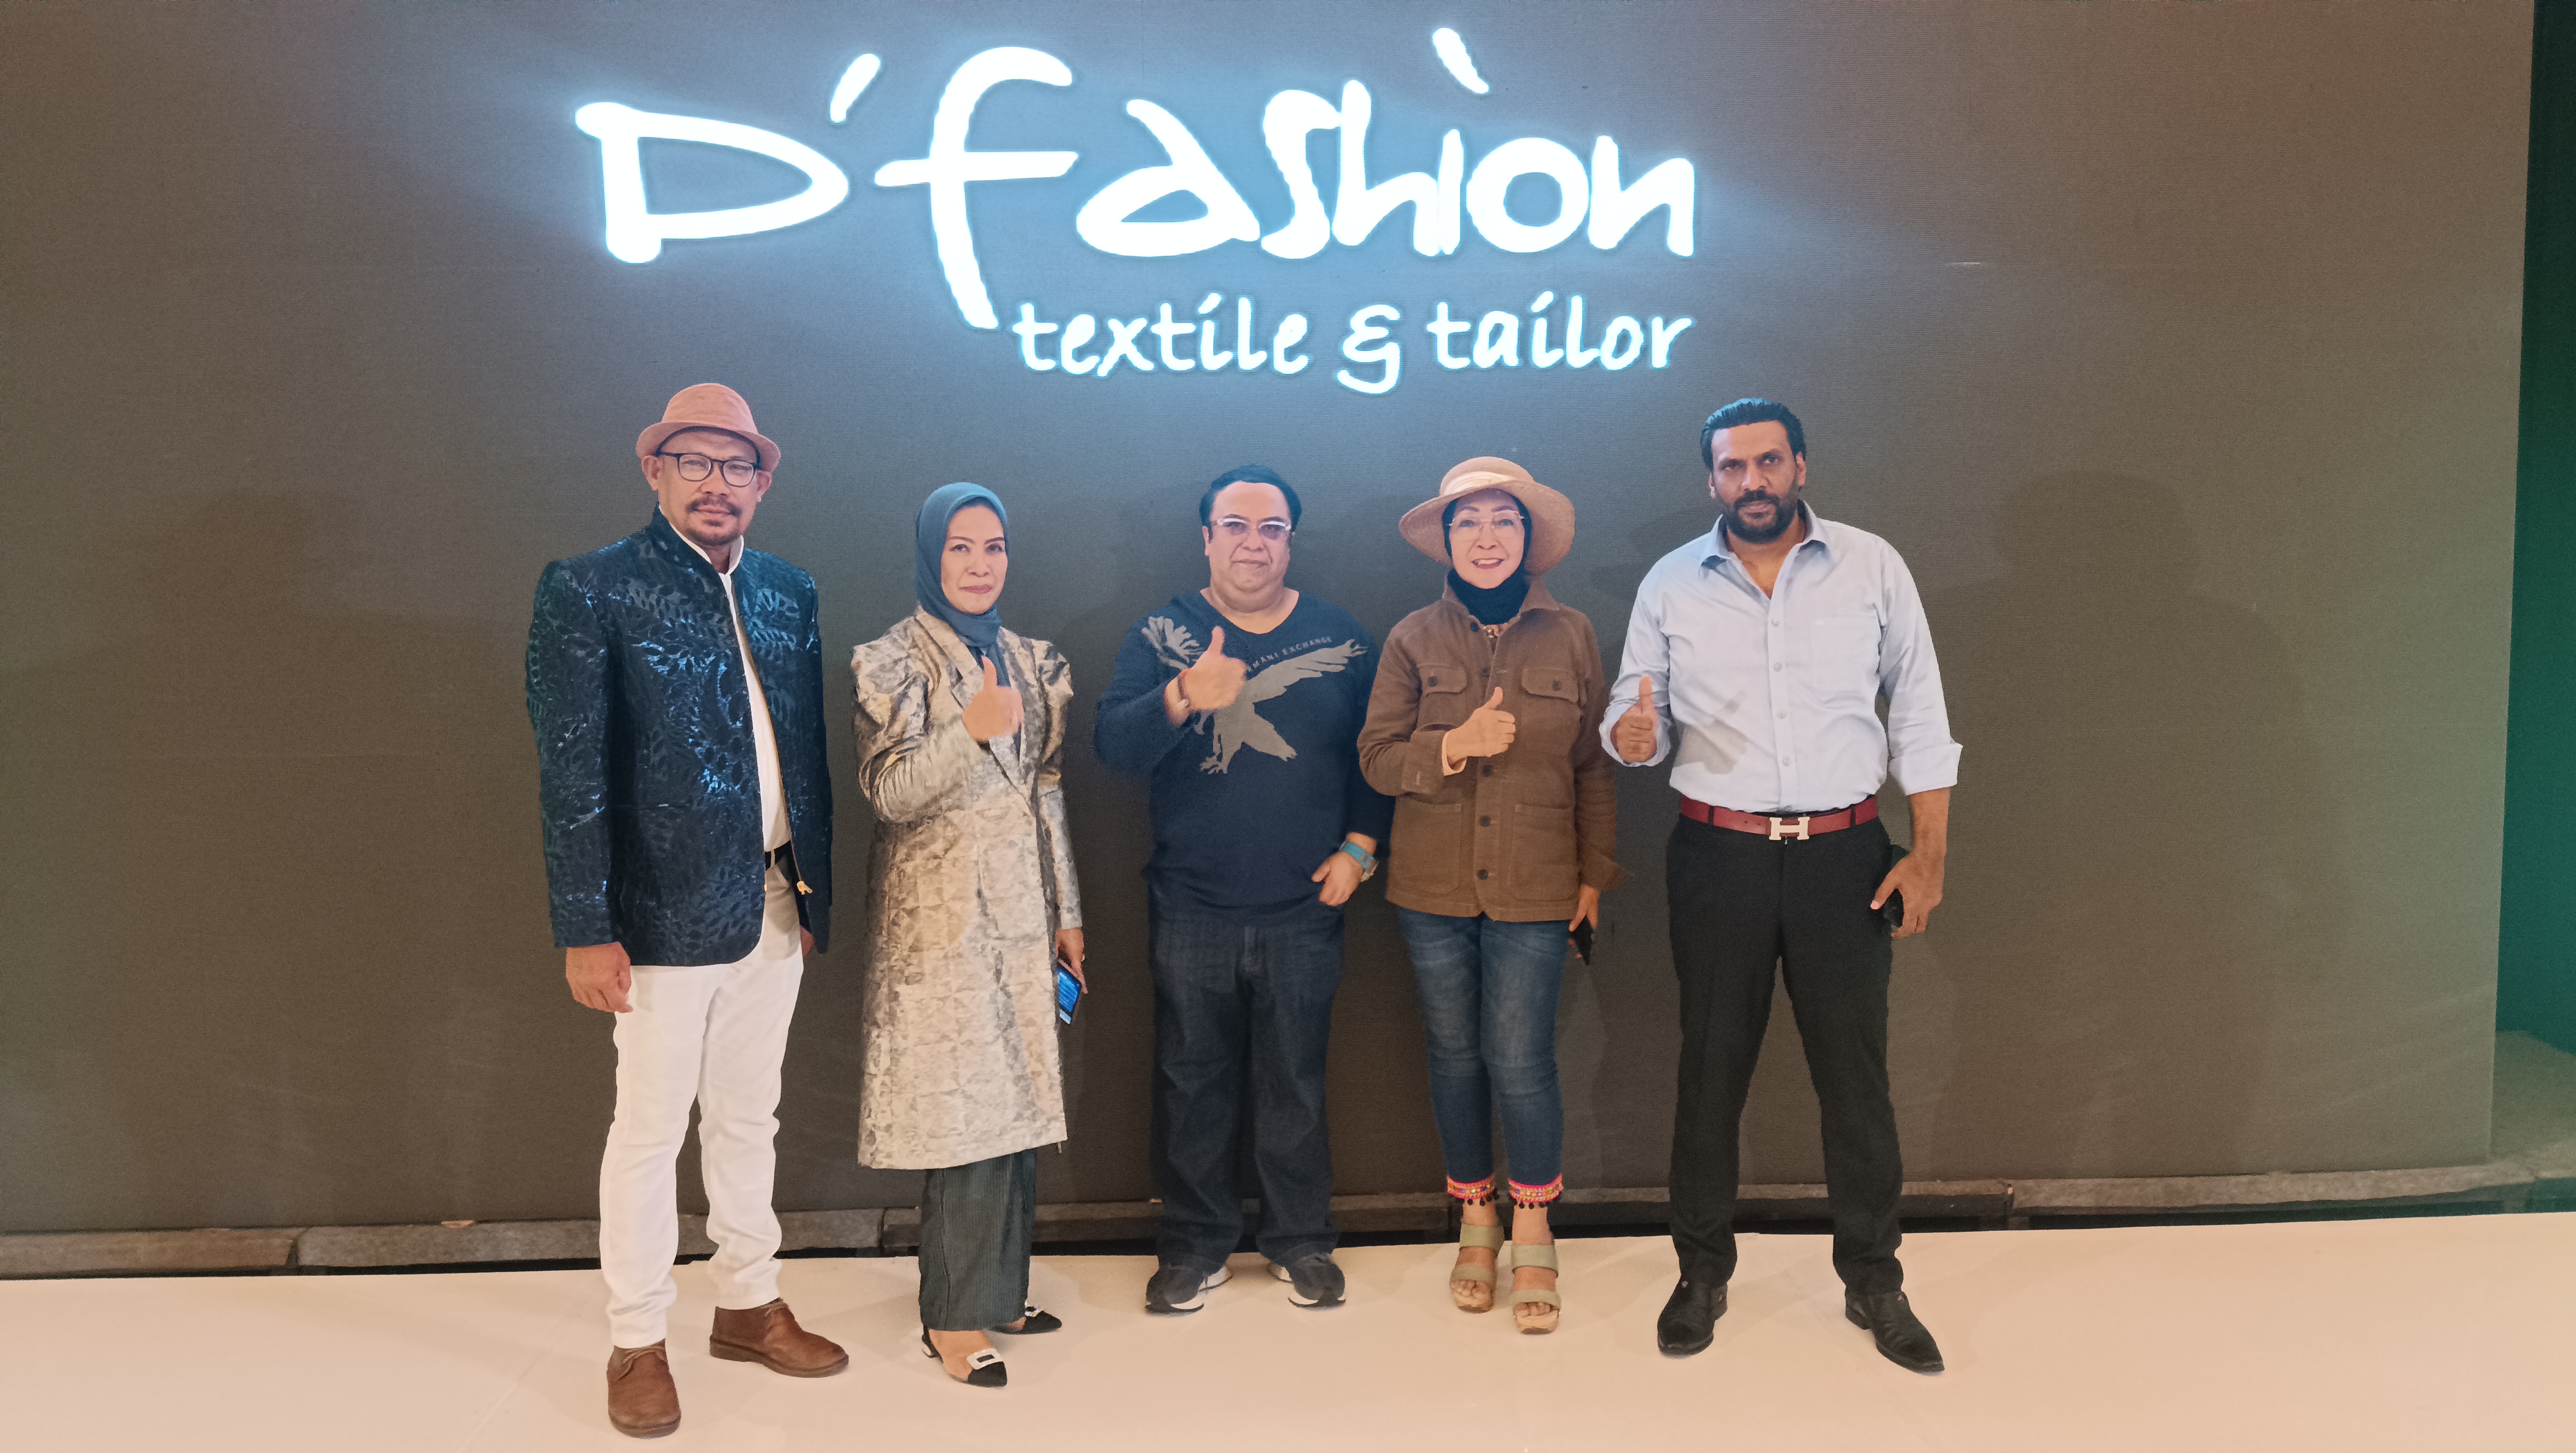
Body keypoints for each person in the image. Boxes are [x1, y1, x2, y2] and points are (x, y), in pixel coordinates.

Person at [1604, 398, 1958, 1373]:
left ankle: (1875, 1281)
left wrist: (1928, 855)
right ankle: (1701, 1275)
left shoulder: (1872, 566)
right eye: (1732, 467)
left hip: (1847, 858)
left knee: (1856, 1077)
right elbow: (1636, 717)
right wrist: (1632, 735)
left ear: (1801, 465)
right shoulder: (1671, 583)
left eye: (1768, 462)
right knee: (1710, 1070)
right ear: (1711, 480)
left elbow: (1920, 711)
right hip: (1718, 855)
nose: (1751, 481)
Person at [527, 383, 845, 1440]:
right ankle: (637, 1339)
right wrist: (586, 924)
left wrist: (813, 884)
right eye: (695, 463)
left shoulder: (789, 590)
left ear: (763, 481)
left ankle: (749, 1303)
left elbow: (804, 750)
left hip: (777, 897)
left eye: (737, 466)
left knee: (751, 1117)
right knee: (651, 1131)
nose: (718, 484)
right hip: (659, 914)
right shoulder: (592, 587)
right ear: (655, 471)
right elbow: (571, 772)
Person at [1094, 465, 1394, 1314]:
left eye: (1271, 528)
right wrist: (1184, 693)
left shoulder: (1342, 635)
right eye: (1235, 526)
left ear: (1290, 541)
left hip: (1306, 905)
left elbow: (1376, 754)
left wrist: (1361, 850)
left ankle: (1301, 1241)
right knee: (1192, 1082)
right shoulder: (1161, 633)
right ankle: (1195, 1245)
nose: (1253, 543)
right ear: (1207, 538)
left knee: (1295, 1081)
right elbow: (1113, 747)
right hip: (1191, 903)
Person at [1359, 457, 1621, 1335]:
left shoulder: (1574, 634)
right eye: (1467, 520)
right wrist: (1453, 744)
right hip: (1430, 888)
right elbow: (1375, 760)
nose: (1485, 537)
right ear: (1445, 538)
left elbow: (1593, 766)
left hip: (1540, 885)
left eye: (1503, 519)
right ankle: (1476, 1218)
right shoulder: (1410, 639)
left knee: (1521, 1059)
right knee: (1454, 1057)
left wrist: (1594, 875)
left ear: (1527, 536)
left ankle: (1534, 1225)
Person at [849, 483, 1084, 1390]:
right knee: (964, 1120)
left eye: (994, 547)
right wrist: (968, 733)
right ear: (929, 556)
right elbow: (890, 794)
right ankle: (951, 1315)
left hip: (1023, 916)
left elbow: (1047, 788)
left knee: (1017, 1109)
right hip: (940, 924)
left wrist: (1068, 914)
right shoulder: (890, 659)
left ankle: (1002, 1291)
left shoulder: (1033, 660)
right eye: (960, 547)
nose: (980, 565)